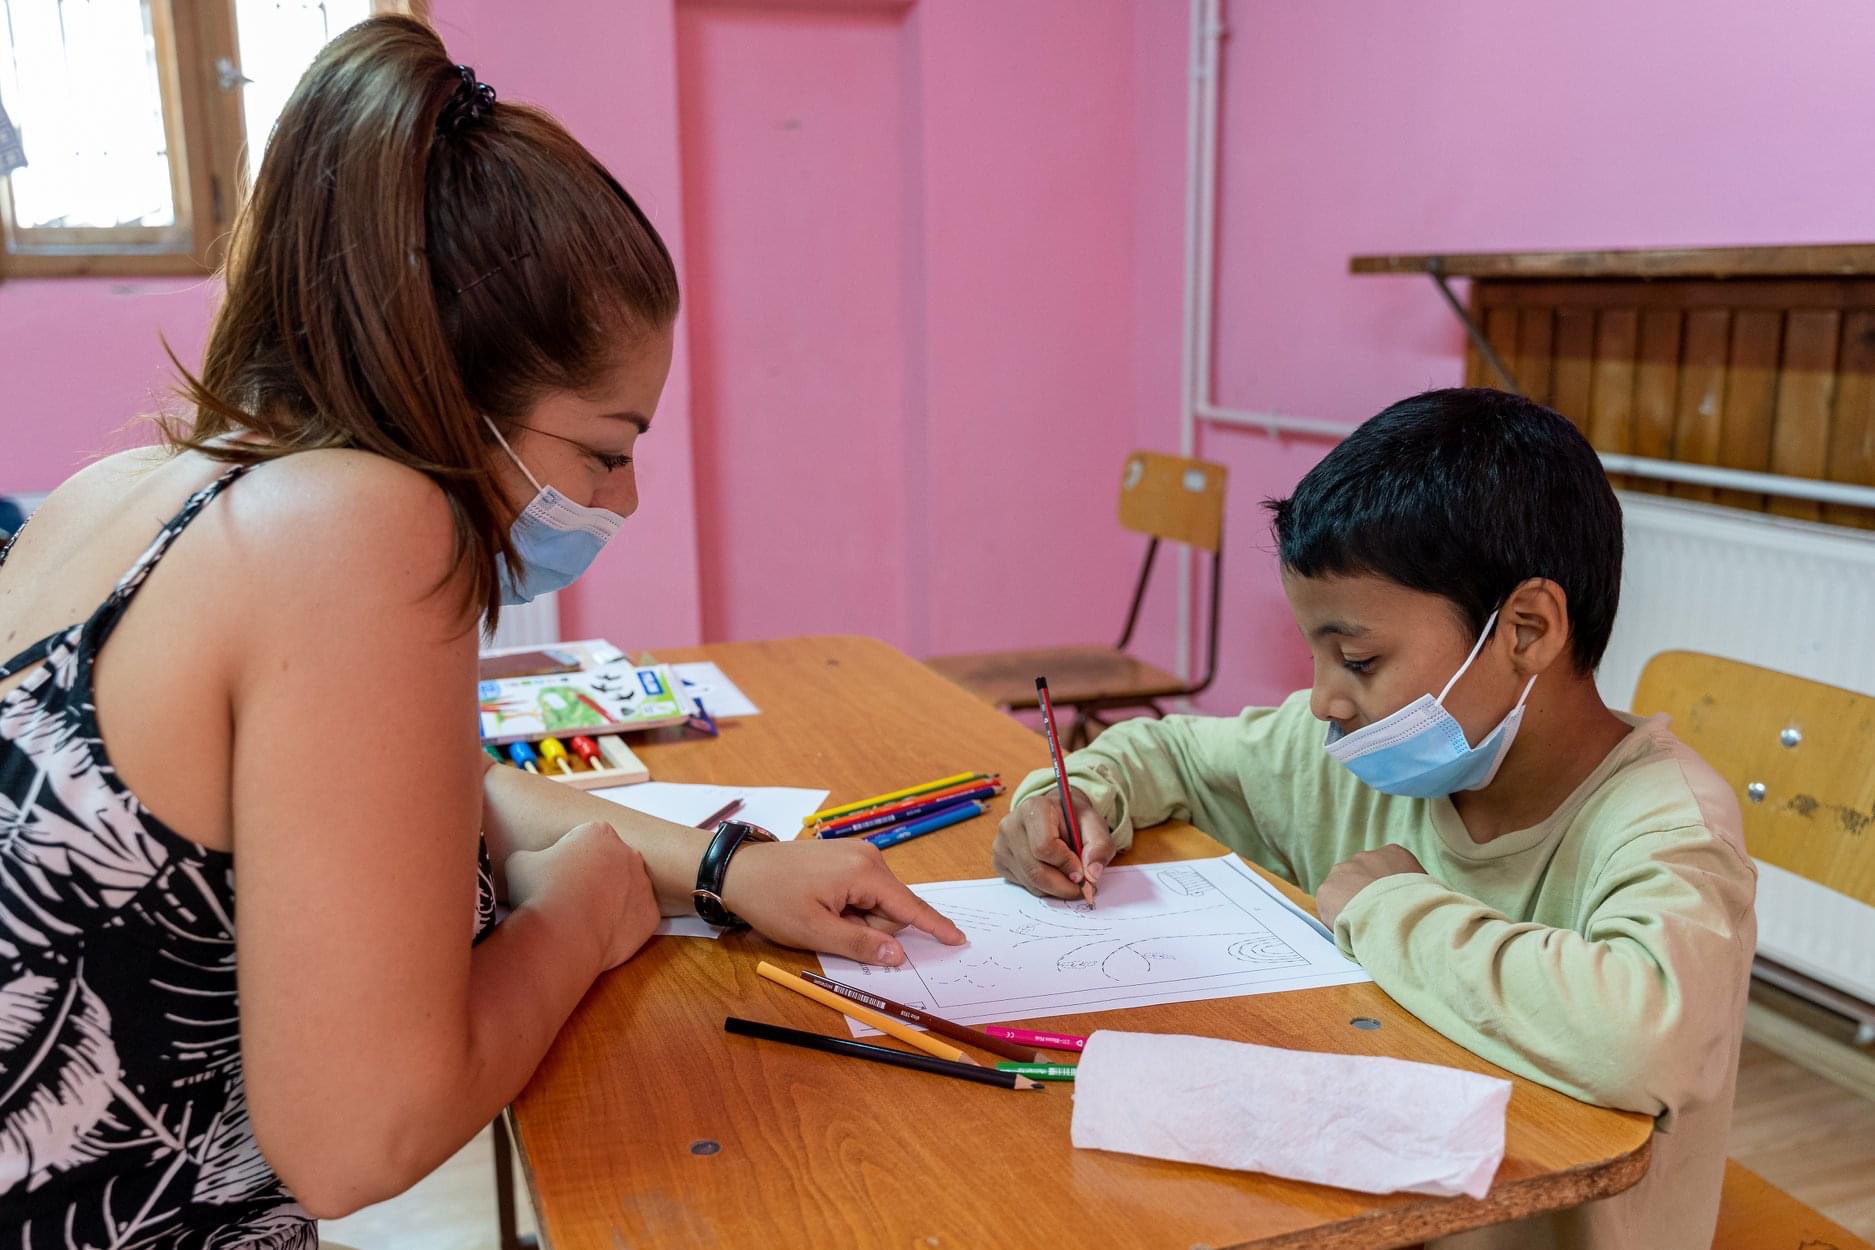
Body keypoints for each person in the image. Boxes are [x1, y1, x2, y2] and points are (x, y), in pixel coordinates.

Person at [0, 16, 961, 1245]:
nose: (620, 499)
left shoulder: (124, 493)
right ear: (450, 392)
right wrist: (581, 915)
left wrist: (723, 864)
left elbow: (426, 803)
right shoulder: (363, 523)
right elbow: (361, 1135)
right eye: (603, 448)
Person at [993, 388, 1756, 1250]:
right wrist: (1071, 797)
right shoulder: (1357, 749)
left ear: (1527, 629)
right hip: (1366, 1199)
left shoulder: (1663, 822)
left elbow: (1639, 1038)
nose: (1324, 696)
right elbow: (1171, 755)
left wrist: (1390, 907)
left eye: (1357, 657)